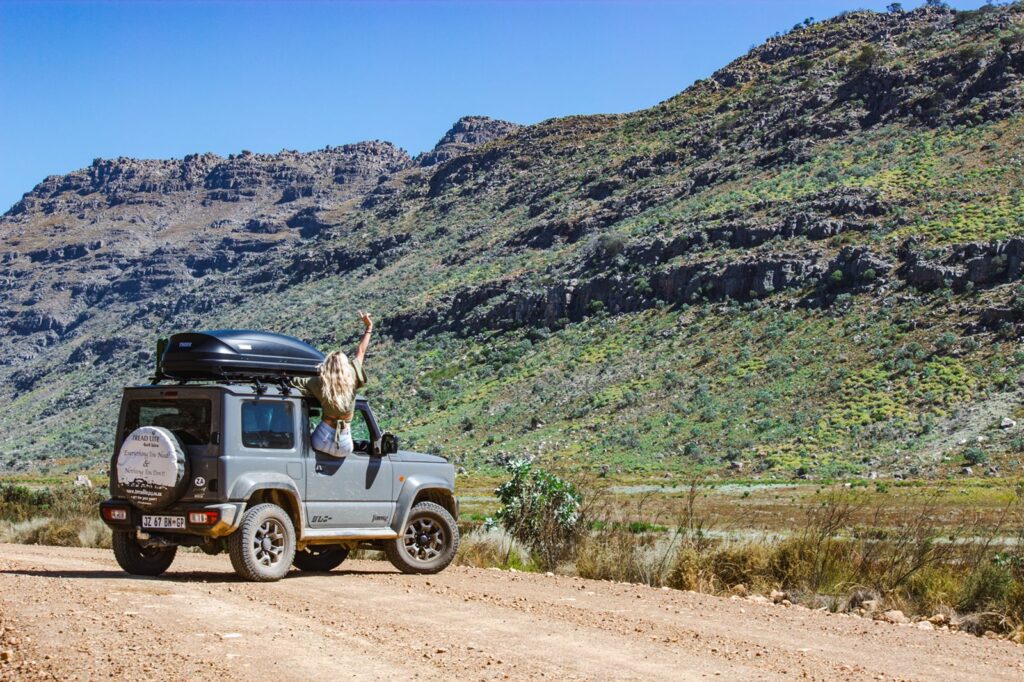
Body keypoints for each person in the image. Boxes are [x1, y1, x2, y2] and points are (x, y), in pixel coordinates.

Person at [291, 311, 373, 457]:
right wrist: (368, 328)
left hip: (321, 439)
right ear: (345, 366)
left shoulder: (319, 382)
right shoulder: (353, 377)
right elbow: (360, 352)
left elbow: (295, 381)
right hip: (344, 443)